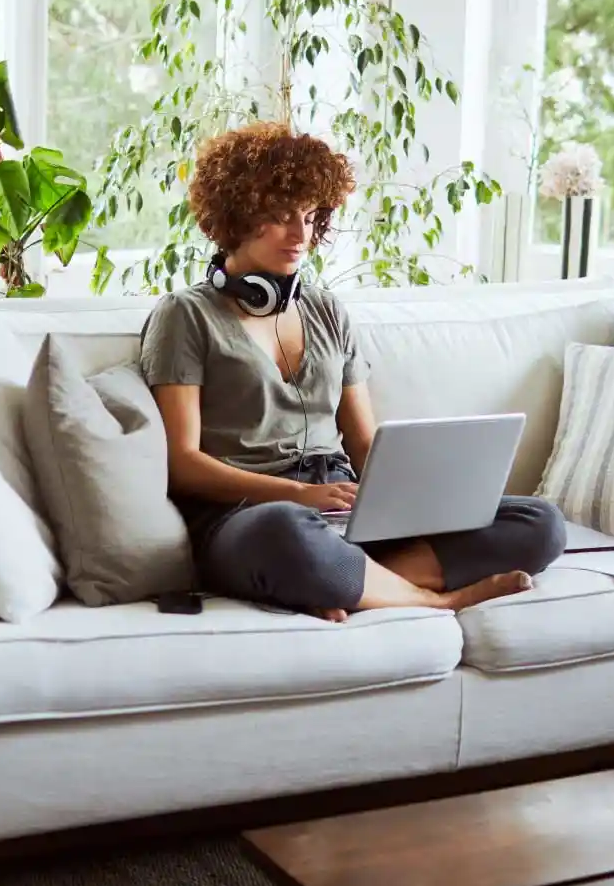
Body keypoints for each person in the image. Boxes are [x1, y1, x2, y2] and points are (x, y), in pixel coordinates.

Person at [140, 121, 565, 622]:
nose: (300, 234)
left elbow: (363, 444)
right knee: (288, 534)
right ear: (236, 215)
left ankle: (350, 580)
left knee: (540, 521)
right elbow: (182, 462)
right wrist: (300, 495)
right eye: (281, 216)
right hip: (251, 515)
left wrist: (412, 499)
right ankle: (436, 597)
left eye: (311, 216)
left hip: (342, 507)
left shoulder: (328, 311)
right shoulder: (184, 316)